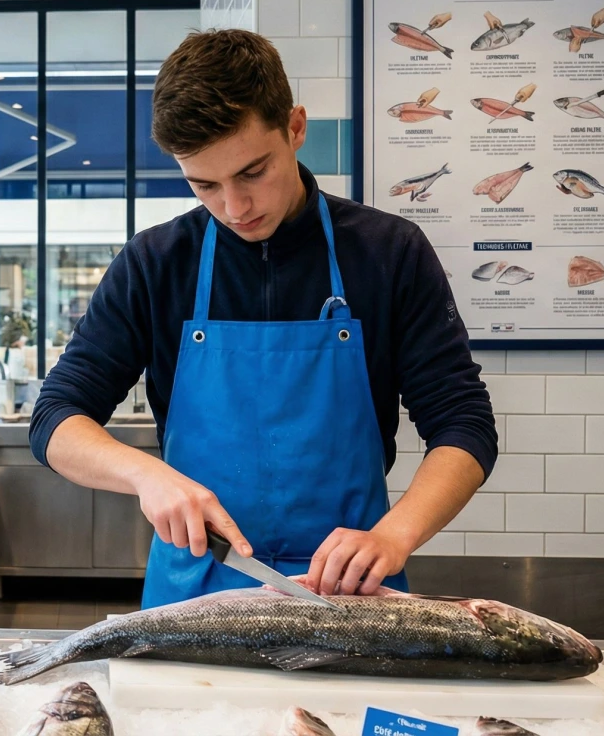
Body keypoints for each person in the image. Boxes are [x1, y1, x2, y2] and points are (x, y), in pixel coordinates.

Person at [30, 31, 496, 608]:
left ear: (295, 128)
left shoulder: (388, 251)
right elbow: (55, 417)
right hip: (195, 596)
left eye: (253, 172)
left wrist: (394, 535)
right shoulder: (156, 262)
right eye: (204, 184)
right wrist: (145, 475)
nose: (234, 207)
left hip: (349, 594)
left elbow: (464, 424)